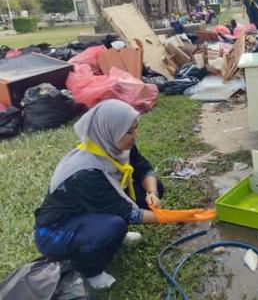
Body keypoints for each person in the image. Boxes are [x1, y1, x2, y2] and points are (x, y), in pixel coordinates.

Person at [33, 100, 165, 289]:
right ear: (110, 130)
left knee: (154, 187)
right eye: (129, 131)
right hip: (56, 232)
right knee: (115, 224)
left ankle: (109, 236)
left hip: (88, 210)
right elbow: (129, 213)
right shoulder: (85, 172)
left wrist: (152, 192)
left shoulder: (116, 146)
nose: (136, 135)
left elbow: (144, 169)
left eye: (136, 128)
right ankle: (90, 272)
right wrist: (173, 217)